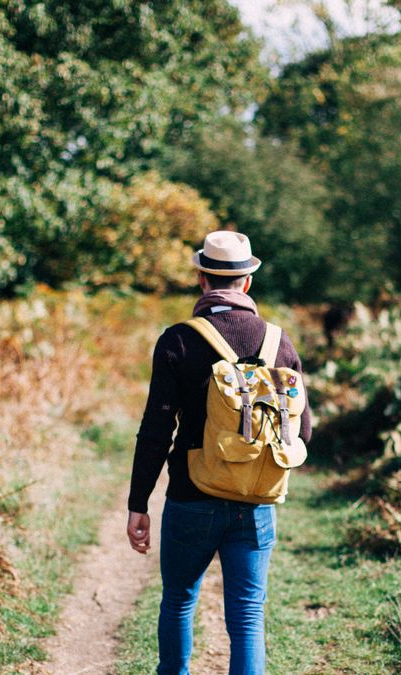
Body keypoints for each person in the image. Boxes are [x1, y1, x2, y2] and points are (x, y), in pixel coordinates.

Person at [126, 230, 313, 675]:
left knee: (177, 601)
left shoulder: (178, 340)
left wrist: (139, 503)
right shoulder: (277, 342)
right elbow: (303, 429)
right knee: (247, 616)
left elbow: (156, 430)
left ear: (201, 280)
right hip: (255, 501)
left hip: (192, 495)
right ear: (247, 282)